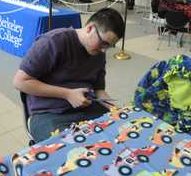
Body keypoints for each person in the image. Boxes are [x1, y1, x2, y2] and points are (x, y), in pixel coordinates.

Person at [13, 8, 125, 142]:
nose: (104, 50)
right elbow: (20, 82)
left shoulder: (99, 52)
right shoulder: (53, 42)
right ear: (89, 28)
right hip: (49, 113)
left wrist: (115, 108)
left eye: (110, 46)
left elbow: (99, 90)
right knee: (73, 150)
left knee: (120, 133)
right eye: (104, 43)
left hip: (87, 108)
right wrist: (67, 94)